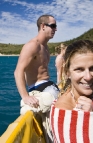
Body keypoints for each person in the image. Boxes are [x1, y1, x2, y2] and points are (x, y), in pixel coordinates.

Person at [14, 14, 60, 142]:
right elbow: (18, 71)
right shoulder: (32, 45)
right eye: (53, 26)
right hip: (38, 88)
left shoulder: (45, 47)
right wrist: (25, 96)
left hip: (49, 86)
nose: (55, 29)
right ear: (43, 26)